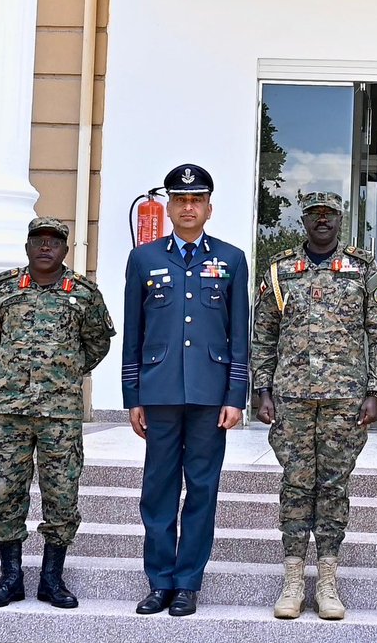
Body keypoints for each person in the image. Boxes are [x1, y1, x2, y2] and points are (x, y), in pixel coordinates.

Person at [252, 191, 377, 621]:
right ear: (305, 221)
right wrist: (262, 389)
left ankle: (328, 581)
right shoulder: (280, 271)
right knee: (296, 486)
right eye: (314, 215)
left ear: (340, 219)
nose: (322, 222)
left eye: (330, 215)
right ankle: (293, 580)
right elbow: (263, 334)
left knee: (333, 487)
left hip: (344, 400)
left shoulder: (362, 269)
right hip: (291, 399)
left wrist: (375, 389)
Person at [122, 164, 249, 617]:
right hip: (157, 393)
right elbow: (133, 334)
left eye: (196, 200)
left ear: (209, 208)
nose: (188, 207)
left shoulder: (231, 259)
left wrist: (236, 396)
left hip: (209, 394)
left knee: (201, 488)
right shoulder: (144, 258)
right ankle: (159, 581)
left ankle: (188, 582)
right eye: (180, 200)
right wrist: (132, 395)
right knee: (157, 489)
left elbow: (239, 334)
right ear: (170, 206)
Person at [0, 217, 115, 610]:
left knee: (61, 496)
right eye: (37, 240)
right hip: (9, 410)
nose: (45, 247)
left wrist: (65, 373)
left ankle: (52, 579)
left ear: (65, 250)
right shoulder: (4, 288)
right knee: (6, 492)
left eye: (53, 242)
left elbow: (97, 344)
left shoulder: (84, 293)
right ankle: (11, 577)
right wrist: (14, 375)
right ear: (26, 247)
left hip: (61, 414)